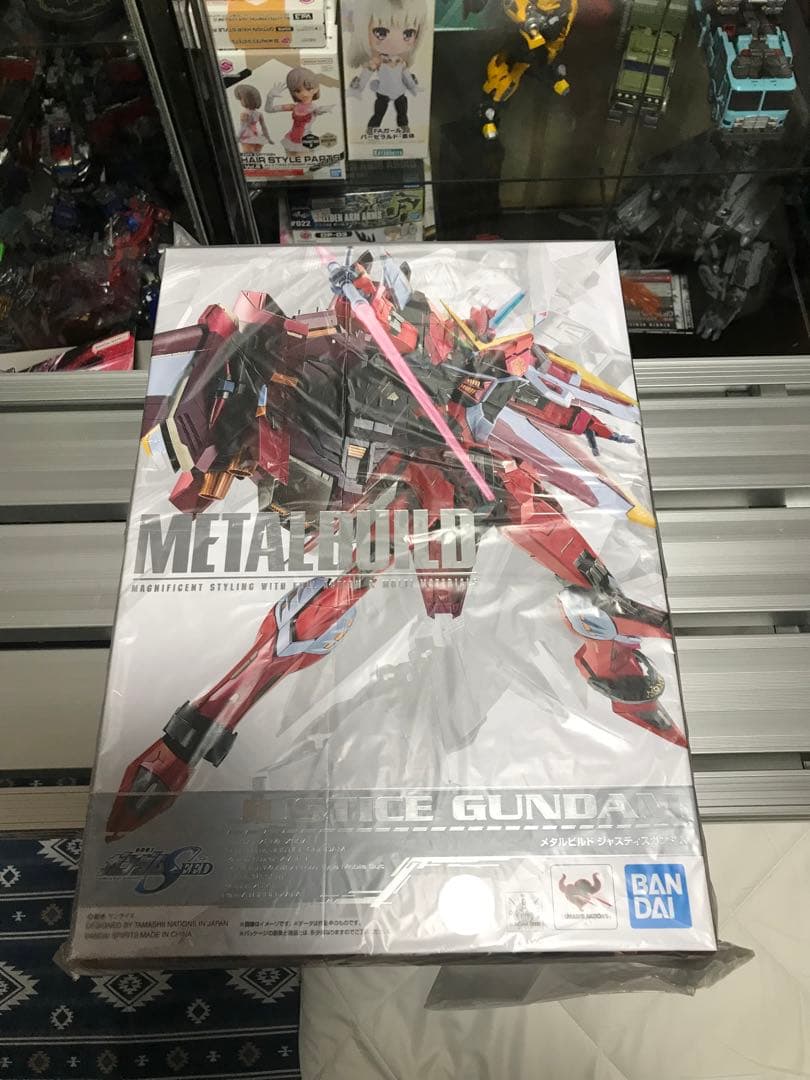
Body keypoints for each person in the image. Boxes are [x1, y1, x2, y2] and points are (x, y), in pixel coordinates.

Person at [347, 0, 427, 132]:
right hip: (383, 92)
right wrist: (358, 88)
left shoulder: (400, 61)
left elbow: (406, 76)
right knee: (379, 113)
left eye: (408, 33)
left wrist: (413, 87)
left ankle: (404, 127)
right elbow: (366, 75)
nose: (395, 43)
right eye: (380, 32)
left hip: (400, 92)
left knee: (402, 112)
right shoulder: (378, 61)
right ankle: (372, 129)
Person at [265, 67, 333, 155]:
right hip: (290, 140)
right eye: (298, 90)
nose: (304, 93)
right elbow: (269, 109)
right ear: (293, 92)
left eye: (308, 88)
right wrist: (270, 97)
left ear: (316, 88)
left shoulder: (313, 108)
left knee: (305, 161)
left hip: (305, 141)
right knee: (291, 162)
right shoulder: (293, 107)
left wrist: (323, 110)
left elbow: (318, 111)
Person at [233, 83, 271, 153]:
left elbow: (243, 127)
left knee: (249, 157)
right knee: (256, 156)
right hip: (258, 136)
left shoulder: (244, 114)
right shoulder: (259, 114)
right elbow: (264, 127)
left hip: (248, 137)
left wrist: (237, 138)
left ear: (246, 100)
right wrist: (268, 138)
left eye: (240, 99)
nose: (240, 101)